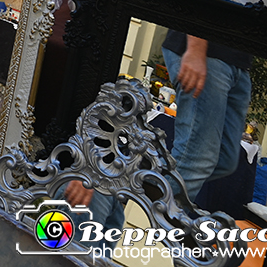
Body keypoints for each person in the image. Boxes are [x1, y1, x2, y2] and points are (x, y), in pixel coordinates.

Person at [66, 30, 250, 227]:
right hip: (209, 50)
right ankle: (149, 230)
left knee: (225, 159)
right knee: (196, 159)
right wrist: (196, 47)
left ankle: (119, 181)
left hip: (239, 59)